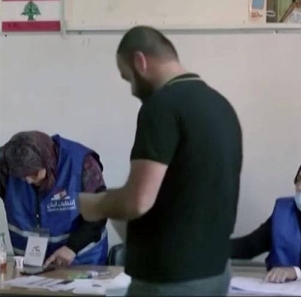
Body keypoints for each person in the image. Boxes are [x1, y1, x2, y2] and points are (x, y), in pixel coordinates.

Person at [78, 26, 243, 296]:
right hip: (216, 271)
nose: (132, 89)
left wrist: (94, 203)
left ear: (140, 62)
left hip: (170, 279)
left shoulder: (161, 107)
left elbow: (138, 200)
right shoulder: (221, 106)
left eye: (127, 77)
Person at [0, 131, 108, 267]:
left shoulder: (83, 164)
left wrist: (72, 248)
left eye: (34, 174)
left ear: (48, 163)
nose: (27, 180)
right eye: (21, 176)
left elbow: (100, 213)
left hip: (81, 261)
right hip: (30, 265)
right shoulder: (5, 164)